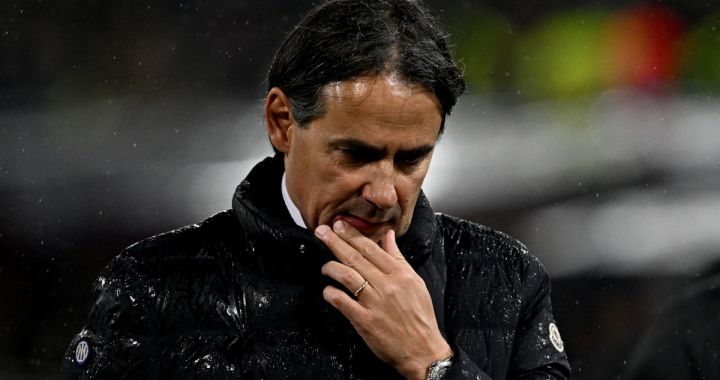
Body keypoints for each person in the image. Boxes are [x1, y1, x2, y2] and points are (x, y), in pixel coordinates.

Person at [63, 0, 570, 378]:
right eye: (356, 154)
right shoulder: (155, 287)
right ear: (283, 123)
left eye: (411, 159)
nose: (385, 194)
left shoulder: (504, 278)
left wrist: (433, 364)